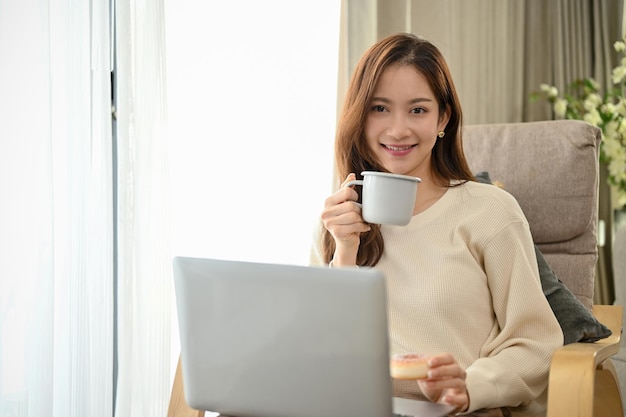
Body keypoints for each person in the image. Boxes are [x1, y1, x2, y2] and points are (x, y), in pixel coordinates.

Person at [310, 33, 563, 416]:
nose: (397, 130)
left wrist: (469, 386)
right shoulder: (337, 221)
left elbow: (536, 343)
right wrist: (345, 250)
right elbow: (321, 350)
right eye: (380, 108)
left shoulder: (490, 211)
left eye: (417, 110)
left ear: (443, 117)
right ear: (359, 117)